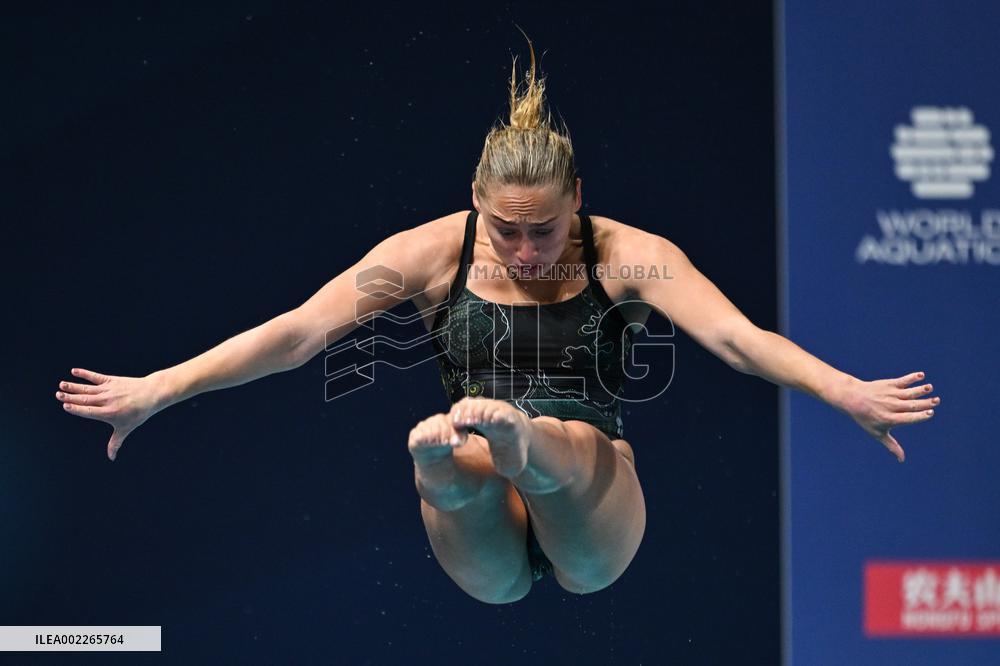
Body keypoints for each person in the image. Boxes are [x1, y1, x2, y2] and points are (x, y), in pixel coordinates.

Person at [55, 39, 940, 605]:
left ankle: (521, 443)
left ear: (579, 202)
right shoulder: (431, 253)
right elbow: (296, 334)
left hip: (598, 506)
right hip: (482, 517)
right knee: (453, 464)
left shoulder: (628, 253)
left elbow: (736, 338)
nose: (524, 250)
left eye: (545, 229)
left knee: (556, 443)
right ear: (475, 201)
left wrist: (844, 390)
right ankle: (460, 460)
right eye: (506, 229)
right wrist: (158, 389)